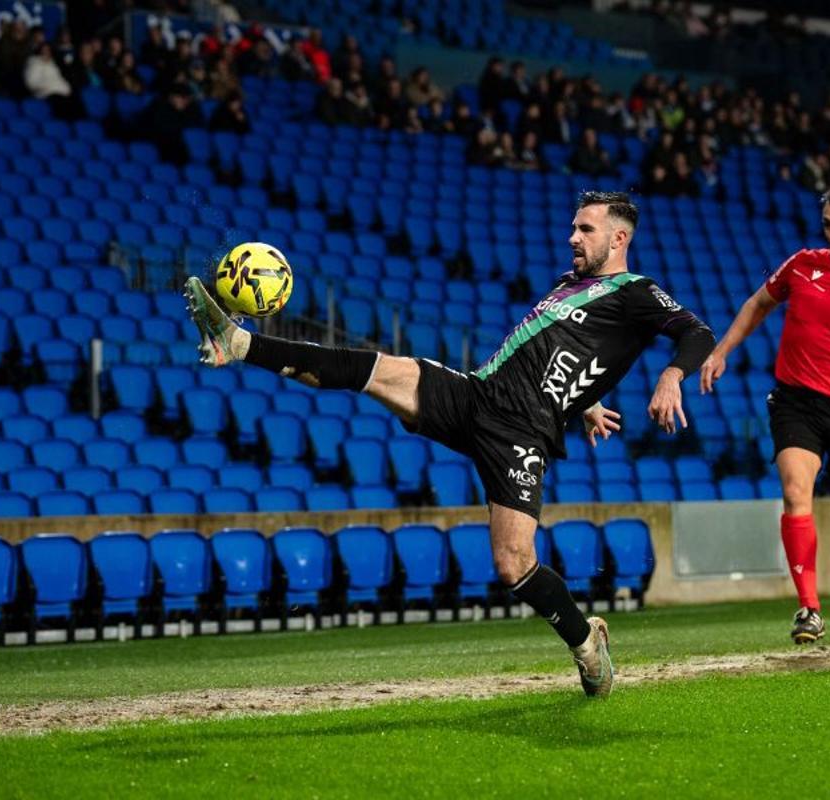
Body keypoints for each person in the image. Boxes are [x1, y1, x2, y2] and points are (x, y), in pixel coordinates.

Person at [185, 191, 715, 697]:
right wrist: (586, 401)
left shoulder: (637, 292)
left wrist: (670, 377)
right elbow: (572, 358)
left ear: (618, 239)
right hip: (475, 396)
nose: (572, 236)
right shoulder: (567, 285)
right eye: (574, 226)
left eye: (585, 228)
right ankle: (239, 342)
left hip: (520, 433)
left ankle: (585, 641)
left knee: (513, 565)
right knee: (371, 368)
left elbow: (697, 333)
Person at [699, 185, 830, 644]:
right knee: (797, 491)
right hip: (796, 401)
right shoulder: (802, 265)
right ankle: (809, 609)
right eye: (828, 225)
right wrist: (721, 352)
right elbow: (758, 303)